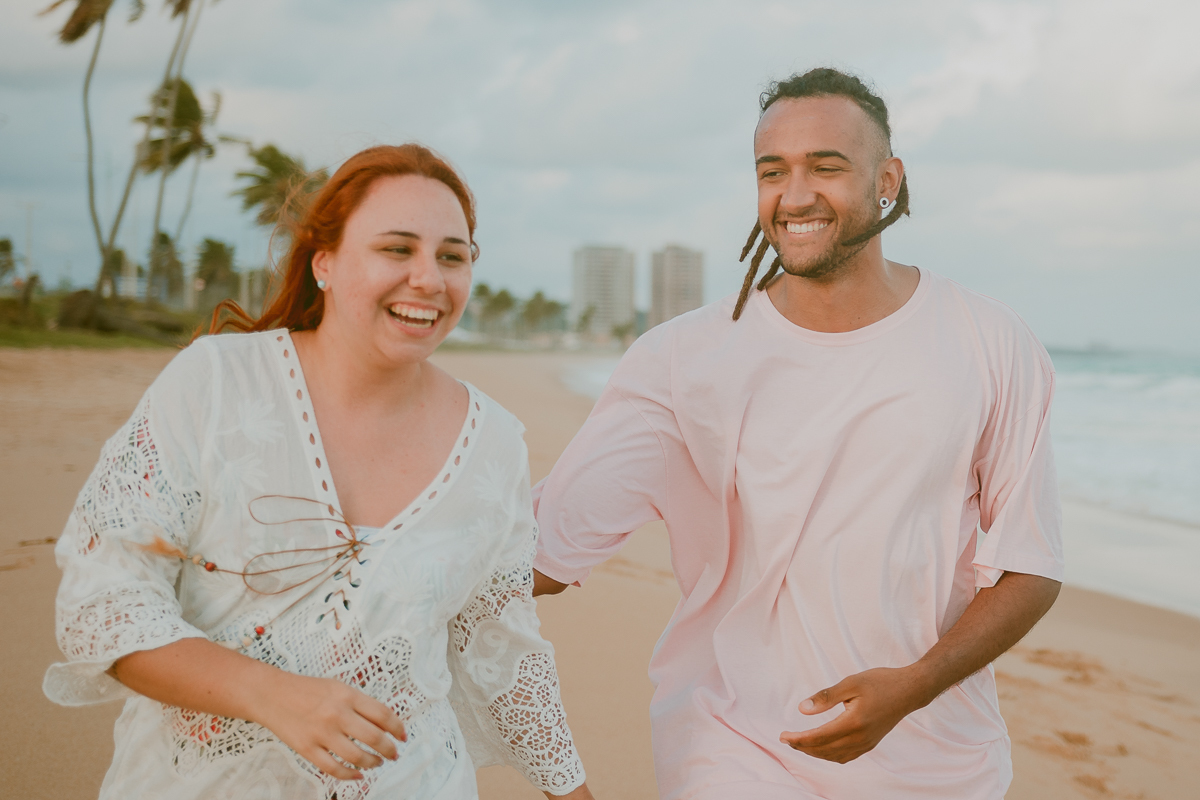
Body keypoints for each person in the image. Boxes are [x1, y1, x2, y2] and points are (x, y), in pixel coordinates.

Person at [532, 68, 1063, 799]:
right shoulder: (682, 359)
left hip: (941, 763)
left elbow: (1029, 564)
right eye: (772, 170)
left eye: (827, 166)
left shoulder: (991, 342)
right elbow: (545, 550)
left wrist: (911, 689)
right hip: (734, 746)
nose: (796, 194)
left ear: (889, 178)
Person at [44, 144, 594, 800]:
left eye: (452, 255)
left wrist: (573, 794)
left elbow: (502, 653)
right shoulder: (216, 384)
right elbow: (101, 600)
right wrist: (269, 694)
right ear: (324, 261)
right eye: (397, 249)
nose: (429, 278)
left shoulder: (495, 443)